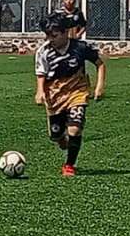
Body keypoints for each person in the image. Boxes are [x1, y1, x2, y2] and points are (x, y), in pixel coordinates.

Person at [35, 12, 106, 177]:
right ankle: (62, 140)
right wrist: (40, 91)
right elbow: (41, 74)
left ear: (65, 32)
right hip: (54, 96)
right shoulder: (43, 52)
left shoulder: (80, 47)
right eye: (47, 35)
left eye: (54, 35)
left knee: (74, 129)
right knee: (56, 135)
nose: (50, 39)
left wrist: (99, 86)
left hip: (77, 93)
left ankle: (69, 165)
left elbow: (100, 64)